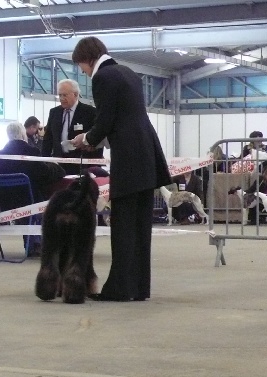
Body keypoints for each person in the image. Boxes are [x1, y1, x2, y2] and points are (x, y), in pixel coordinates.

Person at [71, 36, 172, 302]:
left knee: (123, 225)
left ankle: (119, 289)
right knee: (141, 227)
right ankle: (139, 287)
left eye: (81, 65)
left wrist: (87, 139)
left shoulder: (102, 77)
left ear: (87, 59)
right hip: (147, 152)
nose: (83, 71)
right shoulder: (128, 72)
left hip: (128, 156)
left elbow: (106, 120)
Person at [42, 79, 98, 175]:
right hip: (58, 165)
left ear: (75, 95)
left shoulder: (90, 112)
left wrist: (94, 166)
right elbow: (48, 139)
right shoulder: (54, 112)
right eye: (60, 95)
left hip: (82, 165)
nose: (61, 98)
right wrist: (44, 162)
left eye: (64, 95)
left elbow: (97, 138)